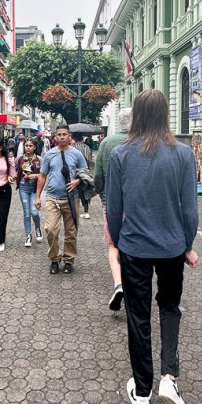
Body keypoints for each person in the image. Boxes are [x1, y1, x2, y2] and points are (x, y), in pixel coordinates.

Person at [105, 91, 199, 404]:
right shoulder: (183, 154)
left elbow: (113, 207)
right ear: (165, 114)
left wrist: (118, 242)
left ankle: (142, 391)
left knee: (138, 315)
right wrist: (187, 244)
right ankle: (169, 377)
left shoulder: (120, 154)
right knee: (170, 308)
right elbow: (190, 208)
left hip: (135, 247)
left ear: (137, 116)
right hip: (172, 247)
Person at [93, 107, 132, 310]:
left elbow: (98, 175)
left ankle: (118, 284)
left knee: (113, 243)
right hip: (136, 203)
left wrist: (100, 192)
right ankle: (132, 282)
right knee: (134, 241)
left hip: (111, 201)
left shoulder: (107, 143)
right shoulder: (142, 141)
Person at [35, 124, 87, 275]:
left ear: (69, 136)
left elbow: (85, 173)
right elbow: (42, 176)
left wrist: (77, 181)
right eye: (59, 134)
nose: (62, 137)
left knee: (71, 231)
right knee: (51, 229)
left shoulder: (77, 154)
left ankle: (69, 260)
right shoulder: (49, 154)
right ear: (55, 137)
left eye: (65, 134)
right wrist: (37, 197)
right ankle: (54, 258)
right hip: (52, 198)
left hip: (72, 198)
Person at [16, 137, 43, 247]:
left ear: (34, 147)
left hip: (34, 188)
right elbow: (15, 171)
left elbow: (44, 174)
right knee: (26, 213)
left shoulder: (39, 159)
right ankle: (28, 235)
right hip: (23, 187)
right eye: (26, 146)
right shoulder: (20, 159)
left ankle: (38, 228)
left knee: (34, 212)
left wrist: (35, 175)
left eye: (30, 146)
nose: (28, 148)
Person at [72, 133, 93, 218]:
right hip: (86, 170)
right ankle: (86, 211)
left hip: (76, 171)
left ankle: (75, 209)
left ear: (74, 138)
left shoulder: (72, 147)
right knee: (86, 190)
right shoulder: (87, 147)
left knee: (78, 190)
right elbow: (90, 159)